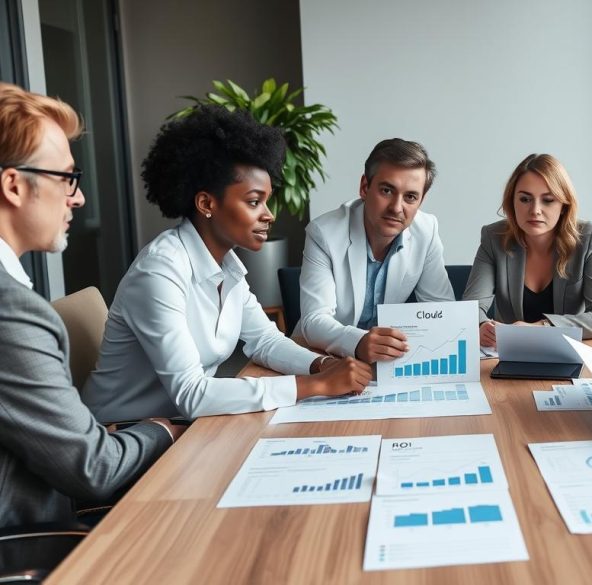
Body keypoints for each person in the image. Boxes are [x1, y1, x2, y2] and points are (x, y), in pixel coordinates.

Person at [82, 106, 371, 422]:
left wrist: (321, 366)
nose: (269, 214)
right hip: (122, 438)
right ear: (207, 203)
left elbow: (265, 340)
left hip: (180, 428)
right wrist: (313, 385)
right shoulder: (159, 273)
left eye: (267, 200)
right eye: (253, 201)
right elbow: (192, 394)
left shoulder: (227, 268)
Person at [0, 83, 180, 527]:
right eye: (66, 178)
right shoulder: (12, 311)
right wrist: (162, 430)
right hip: (31, 550)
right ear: (14, 185)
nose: (77, 197)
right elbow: (93, 468)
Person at [295, 138, 455, 363]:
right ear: (364, 187)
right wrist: (359, 342)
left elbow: (441, 311)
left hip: (386, 363)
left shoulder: (427, 230)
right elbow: (314, 321)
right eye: (387, 190)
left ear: (421, 200)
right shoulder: (324, 233)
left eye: (410, 197)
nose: (397, 208)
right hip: (324, 356)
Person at [463, 153, 592, 346]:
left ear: (564, 206)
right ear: (512, 202)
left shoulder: (588, 238)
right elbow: (470, 309)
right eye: (525, 199)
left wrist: (541, 328)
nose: (535, 210)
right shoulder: (494, 237)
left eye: (548, 200)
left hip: (565, 352)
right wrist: (482, 325)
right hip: (508, 353)